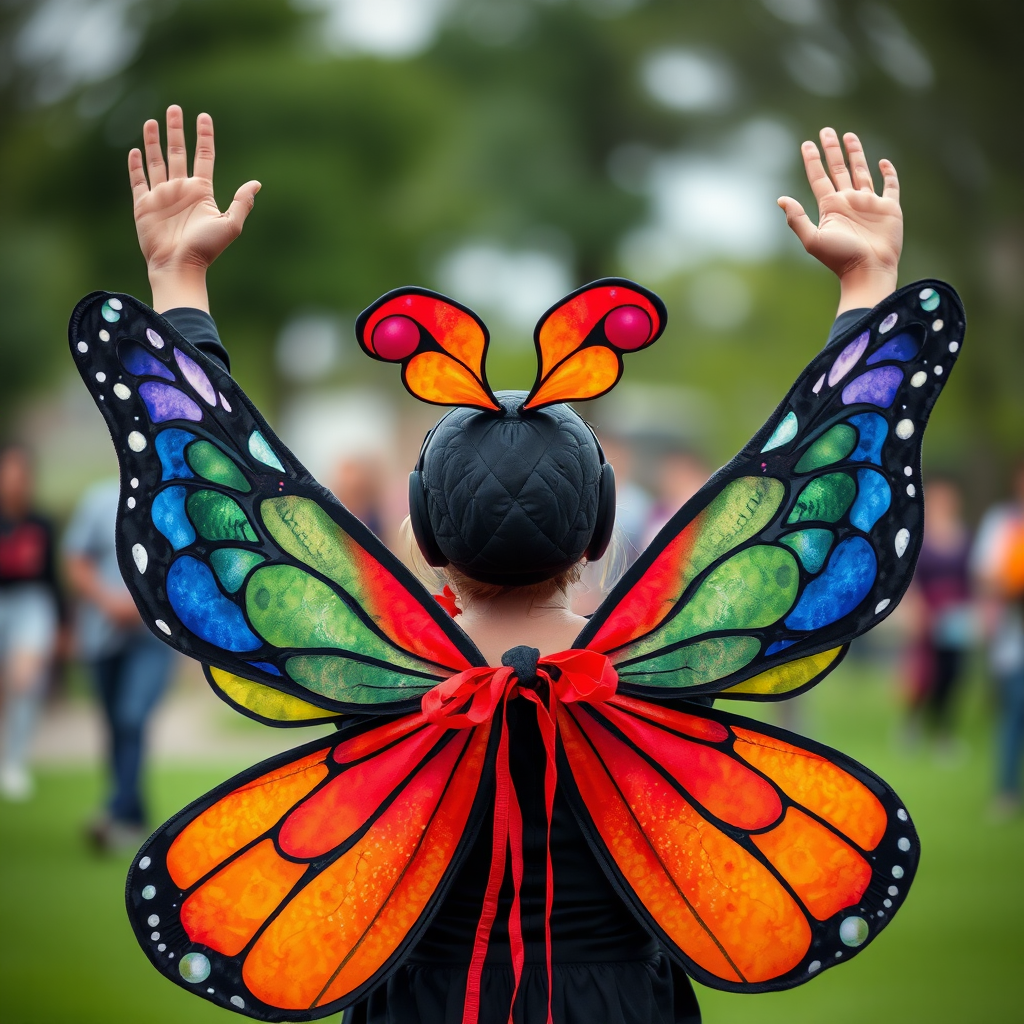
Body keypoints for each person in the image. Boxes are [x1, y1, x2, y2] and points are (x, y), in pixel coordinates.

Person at [69, 106, 960, 1024]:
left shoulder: (369, 673)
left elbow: (210, 468)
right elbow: (823, 479)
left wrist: (179, 280)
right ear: (599, 531)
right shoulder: (665, 673)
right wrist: (867, 285)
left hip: (422, 1003)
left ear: (423, 533)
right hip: (621, 1005)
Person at [64, 480, 177, 850]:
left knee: (132, 716)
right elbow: (75, 561)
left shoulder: (172, 499)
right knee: (116, 726)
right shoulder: (97, 499)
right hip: (101, 632)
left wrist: (142, 603)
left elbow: (186, 564)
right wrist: (107, 600)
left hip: (154, 638)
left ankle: (113, 810)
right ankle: (133, 817)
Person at [0, 443, 62, 800]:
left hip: (32, 604)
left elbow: (51, 577)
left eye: (21, 475)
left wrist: (63, 626)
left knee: (24, 681)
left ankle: (14, 761)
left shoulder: (41, 524)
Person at [903, 477, 974, 751]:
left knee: (952, 671)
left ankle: (944, 730)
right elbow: (913, 578)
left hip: (956, 614)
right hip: (928, 611)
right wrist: (916, 609)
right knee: (925, 671)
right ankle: (913, 721)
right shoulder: (921, 538)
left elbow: (970, 578)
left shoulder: (963, 537)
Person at [972, 459, 1024, 818]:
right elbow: (986, 575)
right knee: (1015, 710)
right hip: (1013, 636)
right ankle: (1007, 791)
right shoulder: (1003, 523)